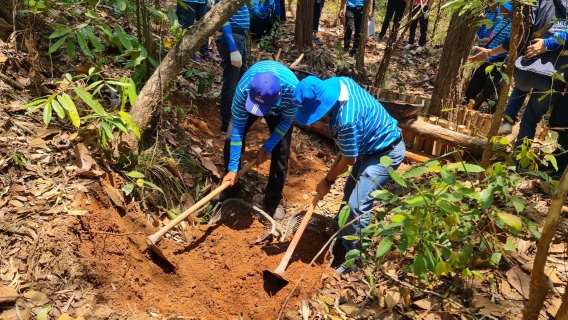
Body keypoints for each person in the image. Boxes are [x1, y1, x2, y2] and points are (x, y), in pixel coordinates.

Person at [293, 76, 405, 274]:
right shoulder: (341, 83)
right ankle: (339, 231)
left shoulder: (346, 121)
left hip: (385, 152)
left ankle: (354, 258)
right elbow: (349, 154)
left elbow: (348, 161)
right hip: (366, 146)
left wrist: (327, 181)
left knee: (357, 206)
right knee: (348, 193)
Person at [470, 0, 567, 146]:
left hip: (527, 68)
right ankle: (519, 163)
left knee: (520, 88)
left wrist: (490, 53)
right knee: (530, 120)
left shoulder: (539, 2)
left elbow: (518, 34)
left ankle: (508, 120)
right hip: (555, 77)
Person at [212, 61, 298, 220]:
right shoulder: (244, 88)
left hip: (279, 111)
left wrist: (266, 148)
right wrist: (232, 167)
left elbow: (286, 122)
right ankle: (231, 186)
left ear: (278, 95)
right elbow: (238, 128)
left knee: (281, 149)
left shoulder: (293, 92)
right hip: (249, 102)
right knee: (231, 139)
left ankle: (272, 201)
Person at [462, 2, 513, 112]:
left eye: (504, 5)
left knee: (490, 90)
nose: (501, 7)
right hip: (489, 58)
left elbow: (509, 45)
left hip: (501, 59)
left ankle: (494, 115)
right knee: (473, 85)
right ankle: (463, 108)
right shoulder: (502, 21)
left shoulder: (513, 24)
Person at [216, 3, 250, 133]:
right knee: (232, 81)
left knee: (242, 79)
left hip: (239, 38)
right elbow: (222, 18)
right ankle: (226, 124)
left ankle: (238, 119)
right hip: (232, 39)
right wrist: (233, 48)